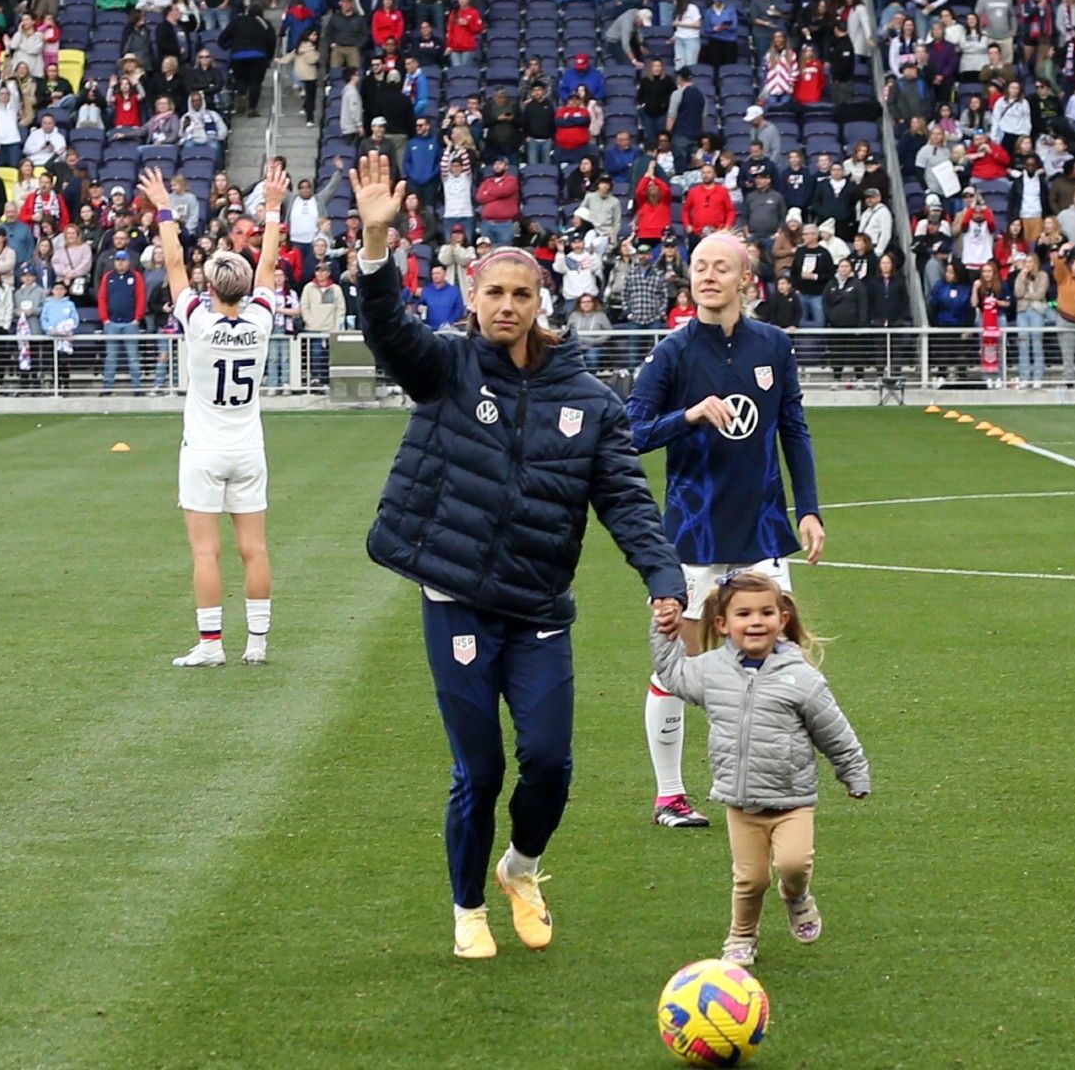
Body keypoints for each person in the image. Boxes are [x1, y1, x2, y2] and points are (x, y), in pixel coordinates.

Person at [349, 152, 687, 959]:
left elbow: (626, 501)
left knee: (549, 764)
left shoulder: (591, 401)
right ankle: (468, 907)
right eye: (493, 292)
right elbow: (389, 331)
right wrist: (373, 246)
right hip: (457, 600)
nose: (506, 305)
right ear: (473, 299)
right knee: (481, 770)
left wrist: (664, 577)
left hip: (536, 608)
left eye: (520, 294)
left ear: (544, 302)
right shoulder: (447, 366)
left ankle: (521, 867)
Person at [625, 233, 825, 830]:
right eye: (699, 267)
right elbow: (630, 434)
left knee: (767, 665)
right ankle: (669, 796)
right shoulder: (672, 353)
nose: (708, 276)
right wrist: (687, 415)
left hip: (762, 531)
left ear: (746, 277)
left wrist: (808, 508)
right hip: (692, 535)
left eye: (721, 267)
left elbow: (795, 429)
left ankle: (760, 786)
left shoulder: (774, 345)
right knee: (676, 671)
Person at [650, 571, 870, 967]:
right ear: (722, 623)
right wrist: (664, 630)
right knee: (750, 880)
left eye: (767, 612)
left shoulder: (800, 676)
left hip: (792, 800)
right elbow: (673, 674)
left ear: (782, 620)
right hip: (741, 801)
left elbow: (833, 729)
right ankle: (741, 935)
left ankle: (797, 895)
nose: (756, 621)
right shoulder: (712, 671)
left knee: (793, 864)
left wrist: (853, 771)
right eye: (744, 613)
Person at [140, 164, 288, 668]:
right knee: (255, 549)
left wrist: (164, 206)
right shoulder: (263, 317)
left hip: (203, 449)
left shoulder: (197, 320)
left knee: (207, 554)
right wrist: (271, 207)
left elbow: (175, 260)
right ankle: (258, 643)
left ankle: (210, 644)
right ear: (244, 288)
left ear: (211, 287)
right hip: (249, 447)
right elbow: (268, 265)